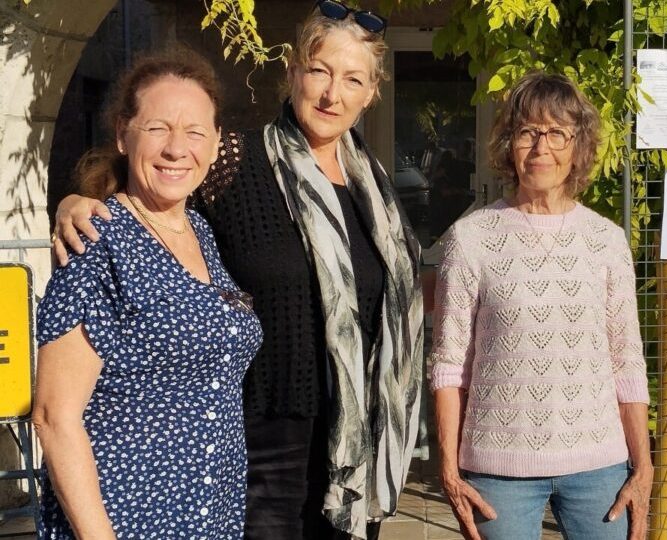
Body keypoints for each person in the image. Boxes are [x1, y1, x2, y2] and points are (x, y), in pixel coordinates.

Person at [52, 2, 424, 539]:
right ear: (293, 72)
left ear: (372, 93)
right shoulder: (235, 159)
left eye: (352, 80)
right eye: (318, 71)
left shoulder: (377, 190)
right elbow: (155, 184)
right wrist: (78, 201)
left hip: (354, 442)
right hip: (259, 440)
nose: (331, 94)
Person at [34, 48, 263, 538]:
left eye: (196, 131)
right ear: (122, 133)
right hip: (126, 519)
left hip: (211, 517)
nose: (177, 148)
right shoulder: (97, 242)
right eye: (158, 127)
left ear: (217, 142)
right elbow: (55, 417)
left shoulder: (200, 231)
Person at [431, 71, 653, 540]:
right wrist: (449, 471)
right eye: (527, 132)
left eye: (556, 133)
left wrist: (644, 467)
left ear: (579, 145)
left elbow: (627, 361)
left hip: (600, 467)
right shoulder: (470, 239)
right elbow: (450, 367)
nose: (541, 148)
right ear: (509, 143)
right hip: (498, 470)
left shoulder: (607, 241)